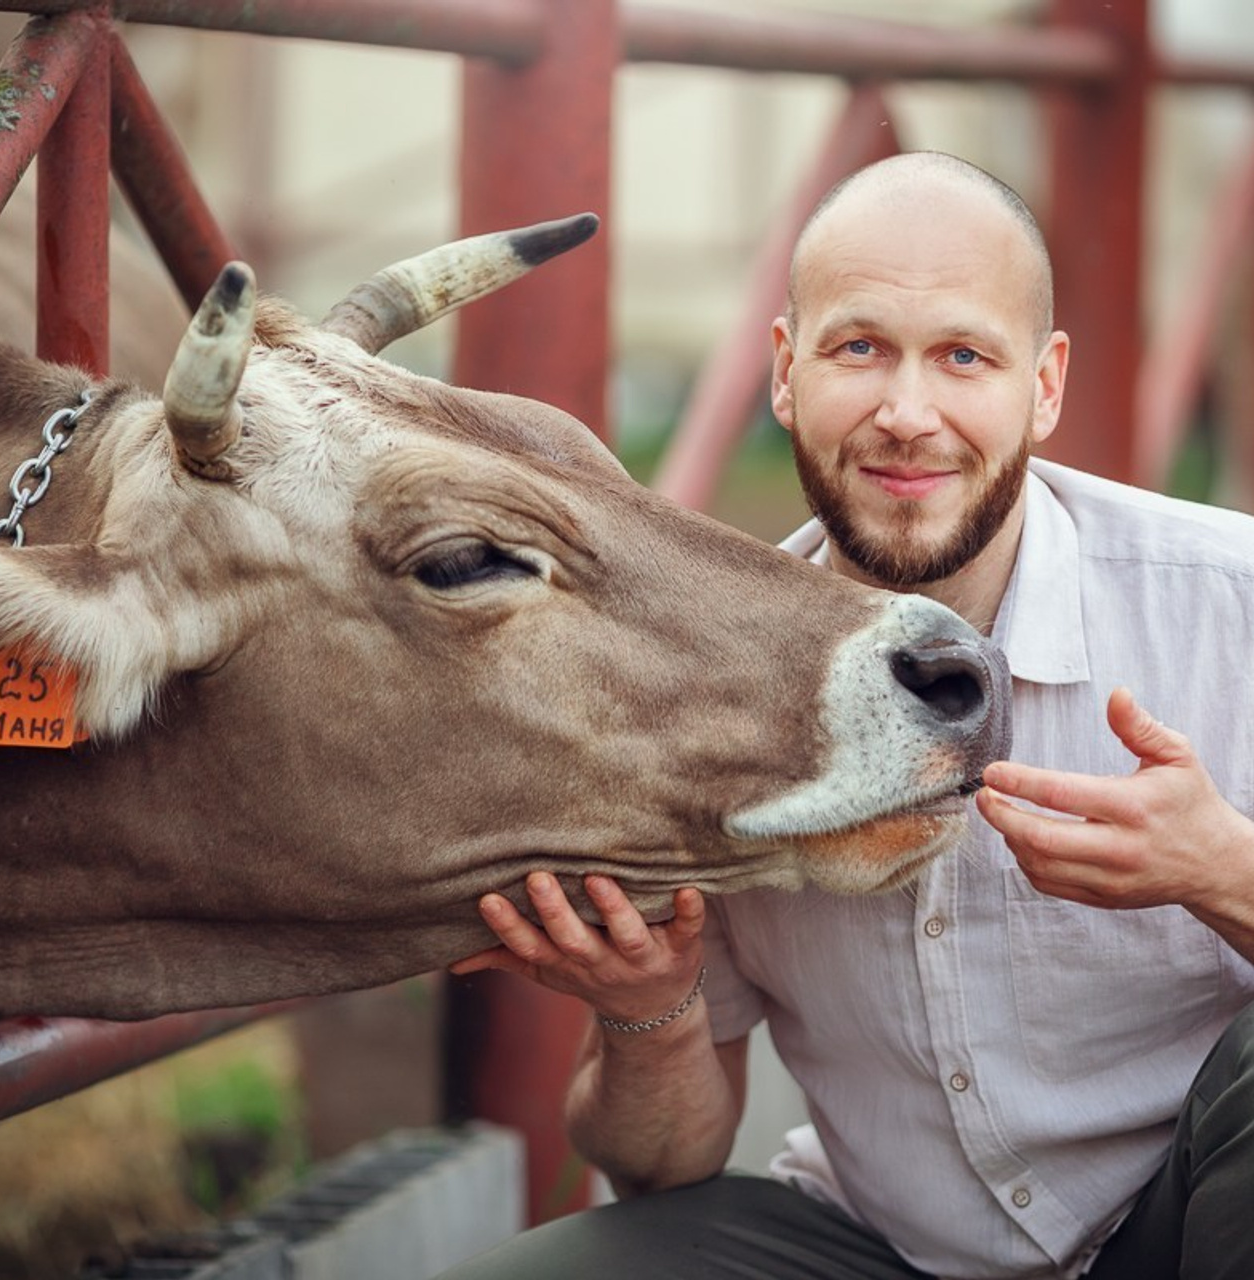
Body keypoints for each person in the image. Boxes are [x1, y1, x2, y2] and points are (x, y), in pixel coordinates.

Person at [440, 151, 1254, 1279]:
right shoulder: (704, 689)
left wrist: (1223, 870)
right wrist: (652, 1007)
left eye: (963, 355)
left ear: (1044, 384)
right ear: (784, 373)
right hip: (879, 1245)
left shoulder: (1230, 605)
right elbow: (659, 1166)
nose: (905, 413)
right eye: (857, 348)